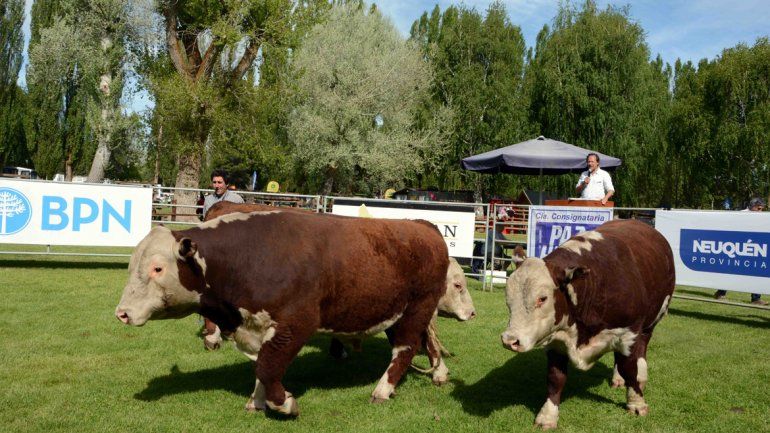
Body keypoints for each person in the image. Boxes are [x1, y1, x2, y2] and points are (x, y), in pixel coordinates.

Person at [714, 197, 768, 305]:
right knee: (730, 270)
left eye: (762, 209)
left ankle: (756, 299)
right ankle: (720, 293)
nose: (761, 211)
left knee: (756, 271)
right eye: (759, 208)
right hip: (736, 249)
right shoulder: (740, 215)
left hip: (752, 249)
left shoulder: (761, 217)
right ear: (753, 206)